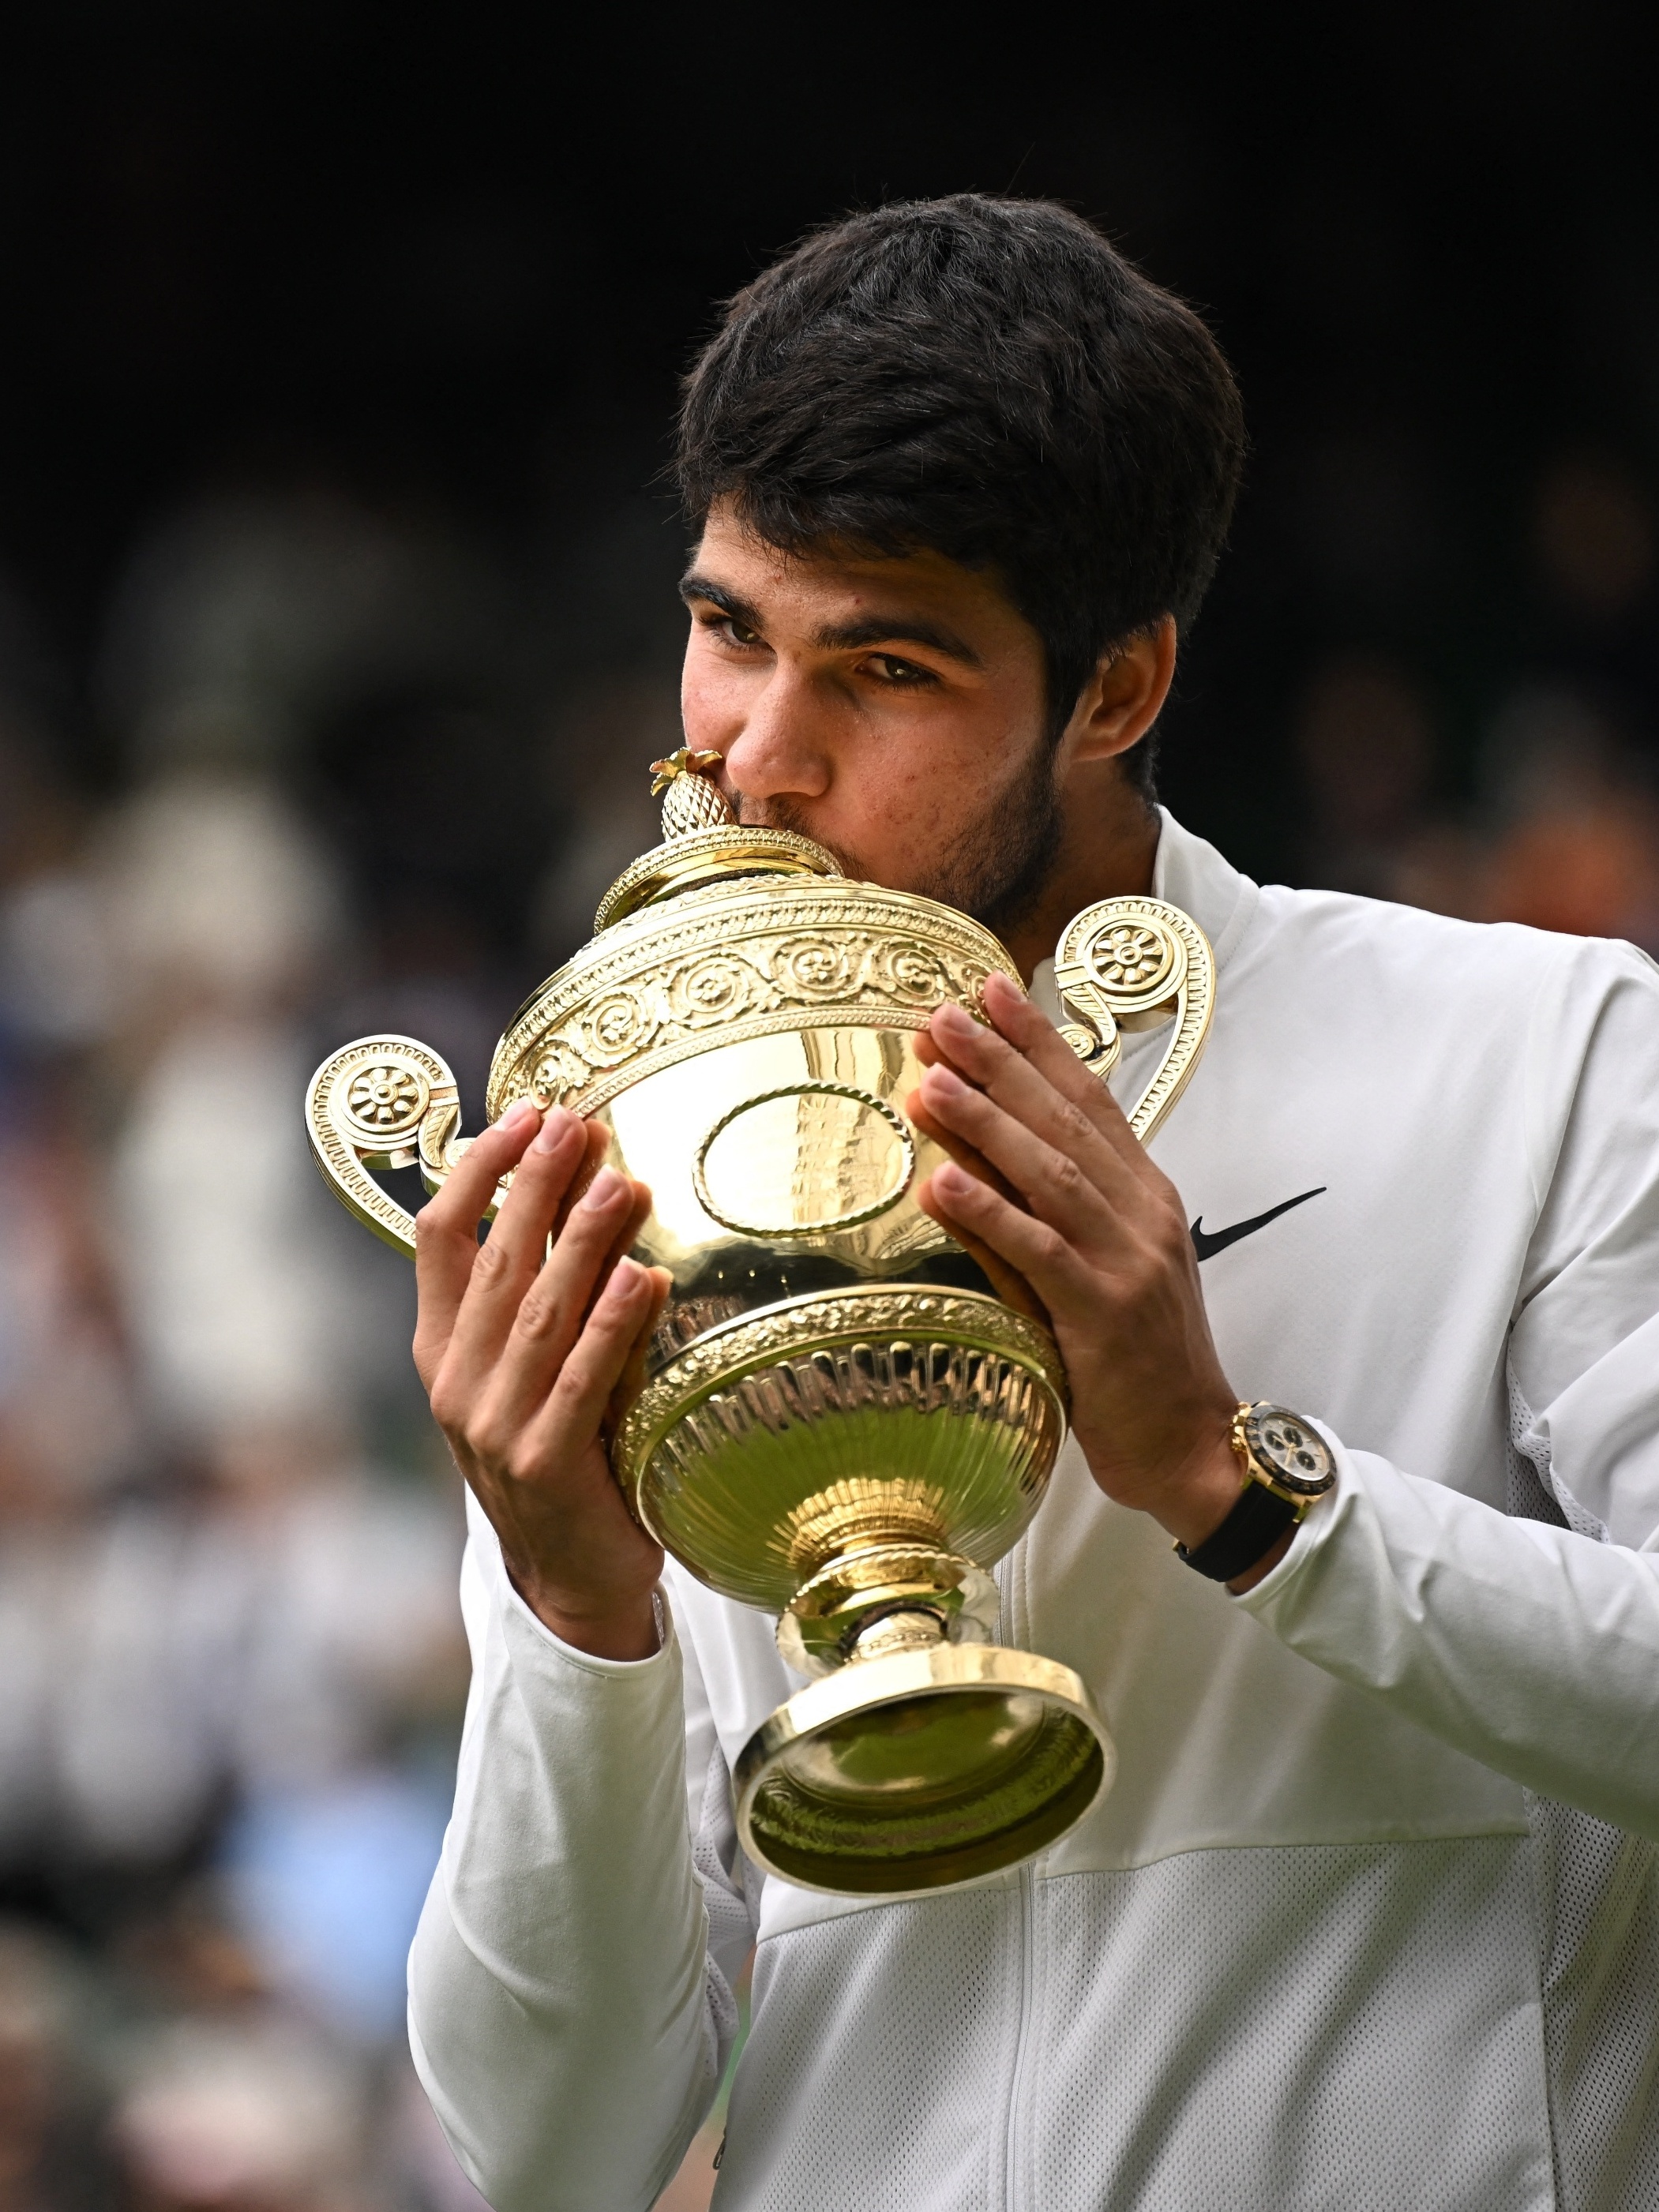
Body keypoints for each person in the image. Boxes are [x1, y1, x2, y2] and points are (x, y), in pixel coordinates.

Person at [404, 197, 1659, 2211]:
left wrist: (1246, 1496)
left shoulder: (1543, 1050)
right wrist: (577, 1618)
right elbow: (553, 2147)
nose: (758, 760)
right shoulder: (624, 1159)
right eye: (730, 628)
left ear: (1116, 687)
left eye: (883, 670)